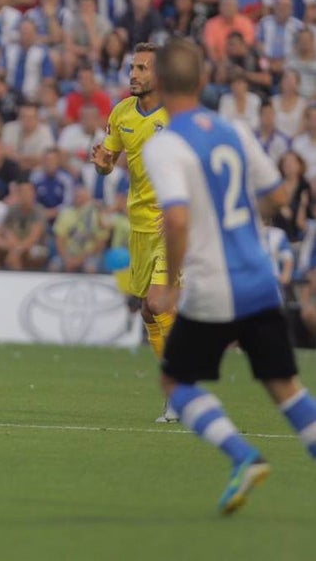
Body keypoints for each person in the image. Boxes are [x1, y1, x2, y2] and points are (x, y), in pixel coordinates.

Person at [141, 37, 316, 515]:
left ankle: (243, 456)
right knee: (285, 387)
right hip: (260, 279)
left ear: (158, 83)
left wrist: (171, 279)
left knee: (176, 382)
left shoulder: (166, 144)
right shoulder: (234, 130)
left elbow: (175, 219)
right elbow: (279, 198)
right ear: (203, 82)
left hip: (215, 287)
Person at [91, 42, 179, 423]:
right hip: (139, 225)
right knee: (148, 309)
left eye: (143, 68)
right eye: (133, 67)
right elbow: (108, 161)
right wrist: (103, 167)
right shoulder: (122, 112)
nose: (134, 74)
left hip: (173, 226)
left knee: (159, 303)